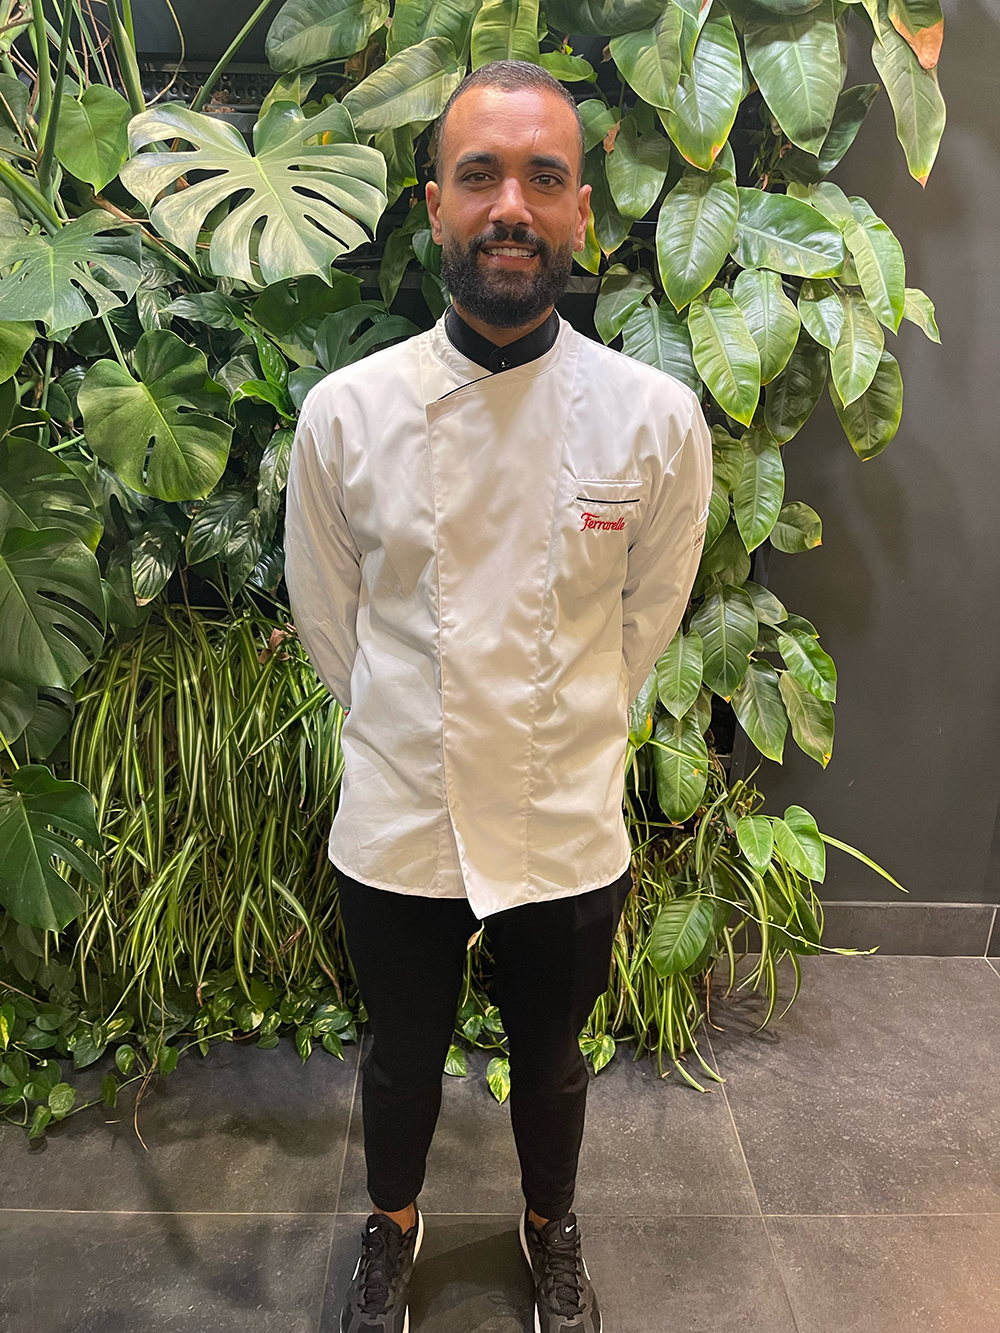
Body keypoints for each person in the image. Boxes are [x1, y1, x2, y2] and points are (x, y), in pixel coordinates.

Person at [284, 59, 712, 1333]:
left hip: (563, 803)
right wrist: (412, 725)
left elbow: (645, 619)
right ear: (435, 207)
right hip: (402, 802)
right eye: (480, 176)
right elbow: (332, 624)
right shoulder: (347, 414)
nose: (510, 206)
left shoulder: (653, 419)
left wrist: (558, 722)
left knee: (553, 1057)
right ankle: (391, 1219)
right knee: (400, 1056)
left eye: (542, 177)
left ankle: (548, 1221)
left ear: (580, 210)